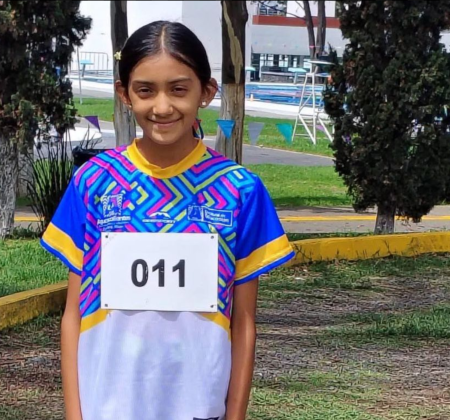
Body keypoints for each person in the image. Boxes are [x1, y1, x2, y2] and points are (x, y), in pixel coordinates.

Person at [41, 21, 296, 420]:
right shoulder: (93, 183)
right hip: (106, 403)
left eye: (178, 89)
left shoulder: (239, 191)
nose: (162, 107)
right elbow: (73, 313)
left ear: (206, 92)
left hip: (198, 403)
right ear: (124, 94)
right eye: (145, 90)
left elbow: (244, 323)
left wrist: (235, 414)